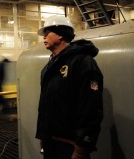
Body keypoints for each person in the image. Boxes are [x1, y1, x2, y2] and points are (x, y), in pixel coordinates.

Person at [36, 15, 103, 159]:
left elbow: (90, 106)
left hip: (71, 146)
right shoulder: (50, 66)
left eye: (47, 33)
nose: (44, 37)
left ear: (60, 34)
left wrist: (82, 148)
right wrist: (44, 136)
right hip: (51, 141)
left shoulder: (83, 62)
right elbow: (47, 104)